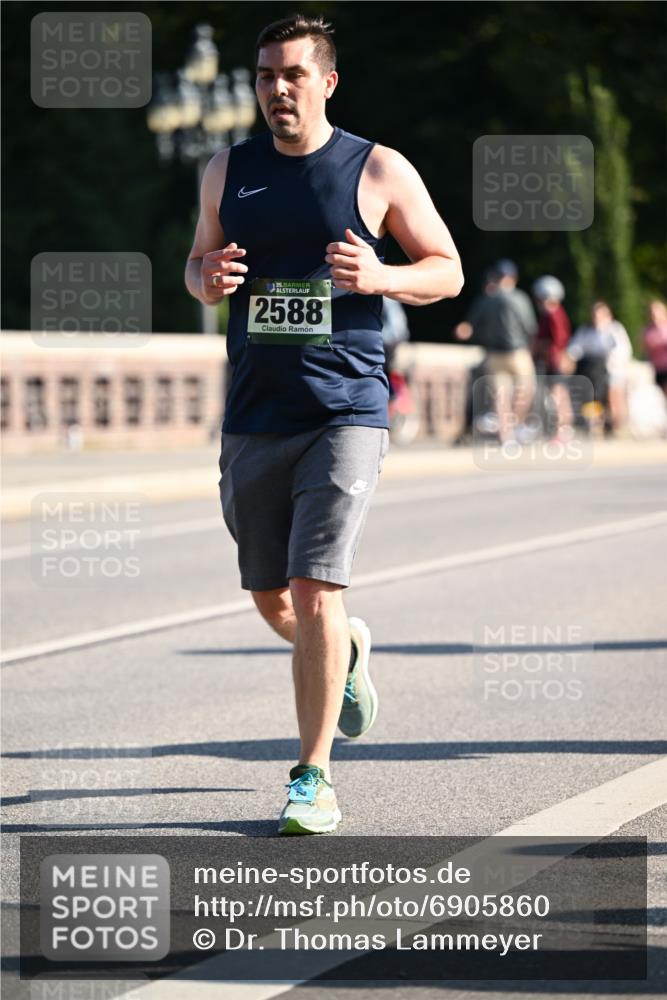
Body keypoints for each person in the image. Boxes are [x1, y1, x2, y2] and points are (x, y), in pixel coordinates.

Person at [184, 14, 463, 835]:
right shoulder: (225, 170)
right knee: (270, 596)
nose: (275, 89)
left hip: (345, 408)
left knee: (312, 589)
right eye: (265, 75)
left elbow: (445, 269)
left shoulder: (375, 168)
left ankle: (312, 777)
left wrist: (379, 273)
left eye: (292, 75)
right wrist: (208, 279)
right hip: (254, 412)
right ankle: (347, 650)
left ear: (326, 82)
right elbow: (199, 266)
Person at [455, 260, 537, 444]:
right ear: (513, 278)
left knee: (501, 397)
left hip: (493, 354)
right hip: (517, 353)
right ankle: (514, 425)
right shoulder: (519, 298)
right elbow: (530, 327)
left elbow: (468, 327)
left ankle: (506, 436)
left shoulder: (486, 299)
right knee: (526, 390)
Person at [566, 301, 632, 434]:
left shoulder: (615, 329)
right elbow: (575, 348)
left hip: (613, 369)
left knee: (614, 396)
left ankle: (618, 426)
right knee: (593, 398)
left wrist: (610, 361)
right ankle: (597, 425)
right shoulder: (586, 331)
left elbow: (623, 350)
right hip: (594, 372)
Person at [531, 275, 573, 441]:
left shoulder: (553, 314)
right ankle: (563, 429)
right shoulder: (556, 313)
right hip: (554, 360)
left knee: (557, 396)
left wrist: (542, 348)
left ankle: (560, 430)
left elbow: (558, 339)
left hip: (554, 361)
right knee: (561, 394)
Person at [642, 299, 667, 398]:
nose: (655, 316)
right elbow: (644, 349)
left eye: (657, 313)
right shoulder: (647, 331)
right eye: (652, 313)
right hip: (657, 368)